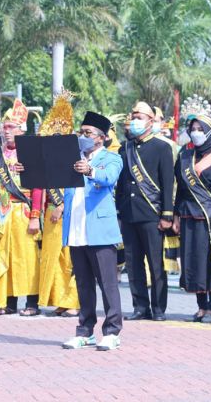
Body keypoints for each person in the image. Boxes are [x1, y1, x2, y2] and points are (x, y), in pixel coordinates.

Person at [61, 111, 124, 351]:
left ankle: (112, 331)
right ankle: (85, 330)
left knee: (107, 282)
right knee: (83, 284)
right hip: (76, 227)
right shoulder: (71, 157)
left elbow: (108, 178)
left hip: (99, 229)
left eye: (88, 133)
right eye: (81, 132)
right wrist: (27, 168)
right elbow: (50, 175)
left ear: (101, 138)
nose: (83, 136)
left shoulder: (111, 158)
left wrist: (89, 170)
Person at [171, 99, 211, 324]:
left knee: (210, 262)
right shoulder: (184, 156)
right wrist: (176, 215)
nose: (195, 133)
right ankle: (200, 307)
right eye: (193, 129)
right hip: (187, 214)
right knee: (193, 261)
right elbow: (181, 190)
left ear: (209, 132)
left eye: (200, 130)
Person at [117, 102, 174, 321]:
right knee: (133, 263)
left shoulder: (162, 147)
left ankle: (158, 308)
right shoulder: (125, 148)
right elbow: (123, 184)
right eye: (133, 116)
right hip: (129, 213)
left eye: (140, 117)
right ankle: (140, 306)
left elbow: (168, 183)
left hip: (152, 214)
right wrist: (120, 212)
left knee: (155, 263)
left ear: (151, 121)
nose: (135, 120)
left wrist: (167, 214)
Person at [0, 99, 43, 316]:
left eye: (11, 127)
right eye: (4, 127)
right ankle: (7, 302)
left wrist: (35, 216)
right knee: (4, 256)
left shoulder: (31, 152)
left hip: (24, 211)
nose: (6, 132)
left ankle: (32, 303)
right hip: (3, 211)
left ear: (22, 129)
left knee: (27, 259)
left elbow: (38, 186)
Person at [36, 94, 79, 316]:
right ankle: (58, 299)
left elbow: (77, 185)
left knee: (71, 257)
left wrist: (63, 206)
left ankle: (72, 301)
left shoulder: (77, 155)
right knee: (53, 256)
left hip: (70, 211)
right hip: (50, 212)